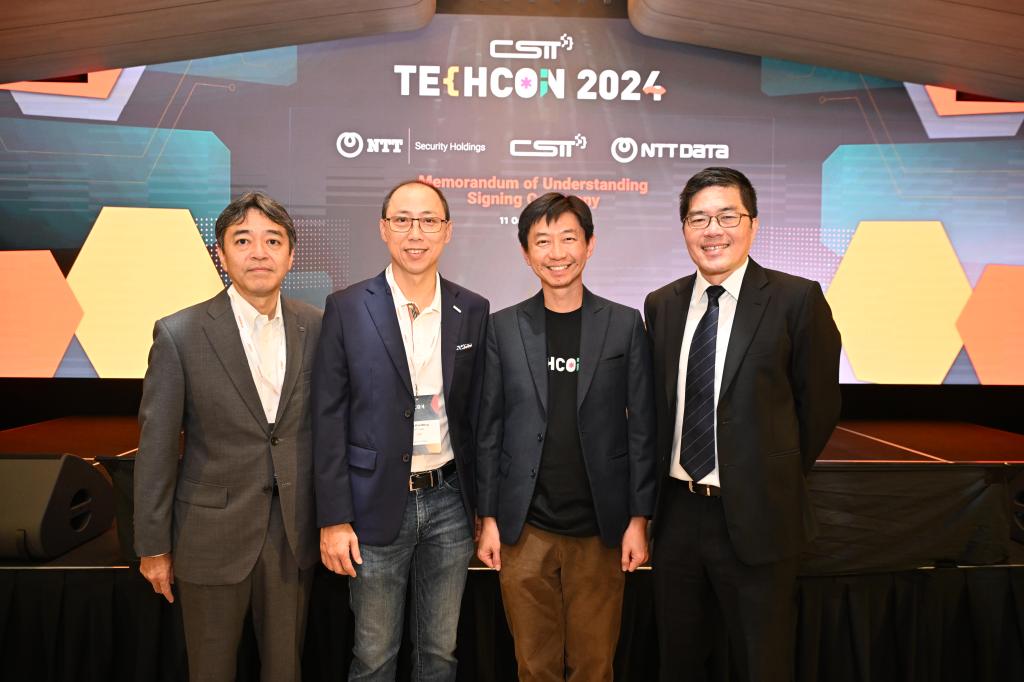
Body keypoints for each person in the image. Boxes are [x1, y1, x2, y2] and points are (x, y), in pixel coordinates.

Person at [644, 167, 841, 681]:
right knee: (679, 661)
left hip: (760, 517)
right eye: (698, 219)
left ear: (753, 223)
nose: (713, 230)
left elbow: (819, 407)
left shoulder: (796, 299)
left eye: (727, 216)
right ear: (684, 229)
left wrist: (767, 473)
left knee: (763, 662)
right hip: (678, 516)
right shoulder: (662, 305)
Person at [134, 191, 322, 682]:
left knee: (286, 670)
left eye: (272, 241)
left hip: (292, 536)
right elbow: (156, 449)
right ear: (221, 254)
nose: (259, 253)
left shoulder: (317, 326)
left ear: (290, 255)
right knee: (210, 671)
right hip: (209, 535)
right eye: (243, 241)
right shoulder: (179, 333)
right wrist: (153, 546)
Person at [476, 192, 656, 681]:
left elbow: (642, 429)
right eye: (542, 241)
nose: (557, 253)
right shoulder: (503, 328)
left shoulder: (623, 324)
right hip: (525, 530)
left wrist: (638, 519)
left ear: (590, 245)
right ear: (525, 252)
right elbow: (489, 430)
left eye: (568, 238)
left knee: (594, 666)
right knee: (533, 666)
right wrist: (488, 518)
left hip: (601, 529)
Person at [313, 180, 489, 681]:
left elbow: (479, 416)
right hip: (372, 502)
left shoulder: (472, 309)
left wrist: (485, 508)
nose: (416, 233)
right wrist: (334, 518)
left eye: (429, 221)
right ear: (383, 229)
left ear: (447, 231)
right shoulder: (347, 306)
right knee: (374, 656)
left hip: (450, 502)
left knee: (440, 653)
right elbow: (328, 417)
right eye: (403, 220)